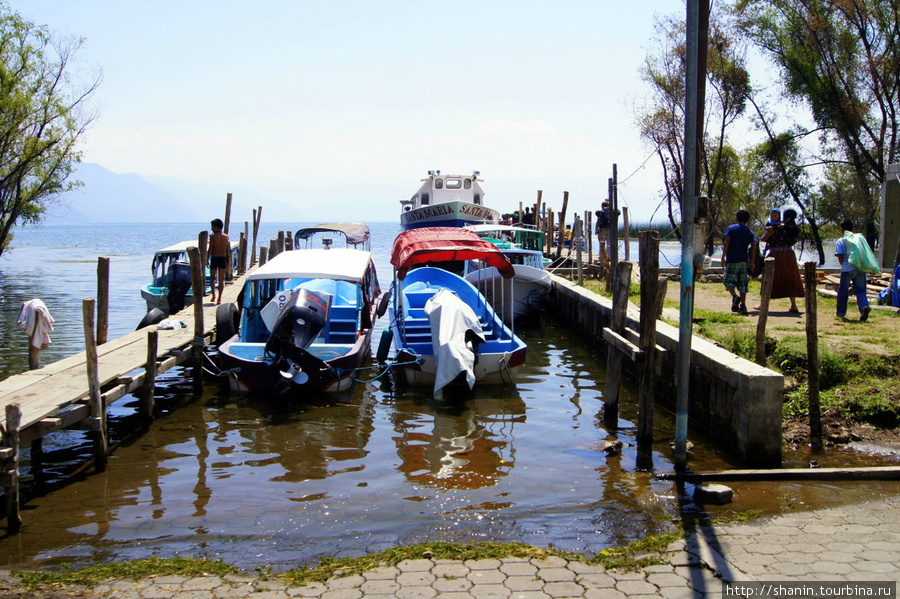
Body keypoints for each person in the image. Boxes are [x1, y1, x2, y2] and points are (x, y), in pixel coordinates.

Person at [758, 208, 803, 313]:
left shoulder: (777, 227)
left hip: (776, 254)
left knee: (769, 277)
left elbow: (764, 239)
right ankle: (794, 305)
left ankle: (763, 303)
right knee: (790, 278)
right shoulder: (794, 229)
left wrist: (769, 231)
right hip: (790, 255)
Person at [835, 218, 876, 322]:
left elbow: (840, 257)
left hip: (847, 269)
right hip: (860, 268)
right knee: (861, 290)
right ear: (853, 229)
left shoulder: (841, 241)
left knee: (843, 291)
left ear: (842, 230)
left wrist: (844, 266)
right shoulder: (859, 239)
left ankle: (840, 313)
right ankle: (864, 307)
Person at [722, 209, 758, 315]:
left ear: (737, 218)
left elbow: (727, 242)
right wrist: (752, 262)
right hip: (743, 260)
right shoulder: (749, 231)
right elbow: (754, 246)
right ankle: (743, 305)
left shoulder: (731, 229)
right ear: (747, 220)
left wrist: (723, 255)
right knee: (742, 284)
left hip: (732, 259)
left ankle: (734, 296)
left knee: (727, 281)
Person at [208, 218, 230, 305]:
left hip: (215, 258)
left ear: (216, 227)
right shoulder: (226, 237)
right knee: (221, 279)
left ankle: (213, 295)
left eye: (212, 227)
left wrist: (207, 259)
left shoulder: (213, 237)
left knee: (212, 278)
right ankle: (219, 298)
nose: (211, 229)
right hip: (222, 258)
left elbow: (211, 249)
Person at [595, 201, 611, 275]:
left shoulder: (601, 213)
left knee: (602, 244)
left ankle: (602, 258)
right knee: (609, 244)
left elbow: (598, 222)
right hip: (610, 229)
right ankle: (609, 257)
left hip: (602, 229)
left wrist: (596, 229)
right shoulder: (611, 213)